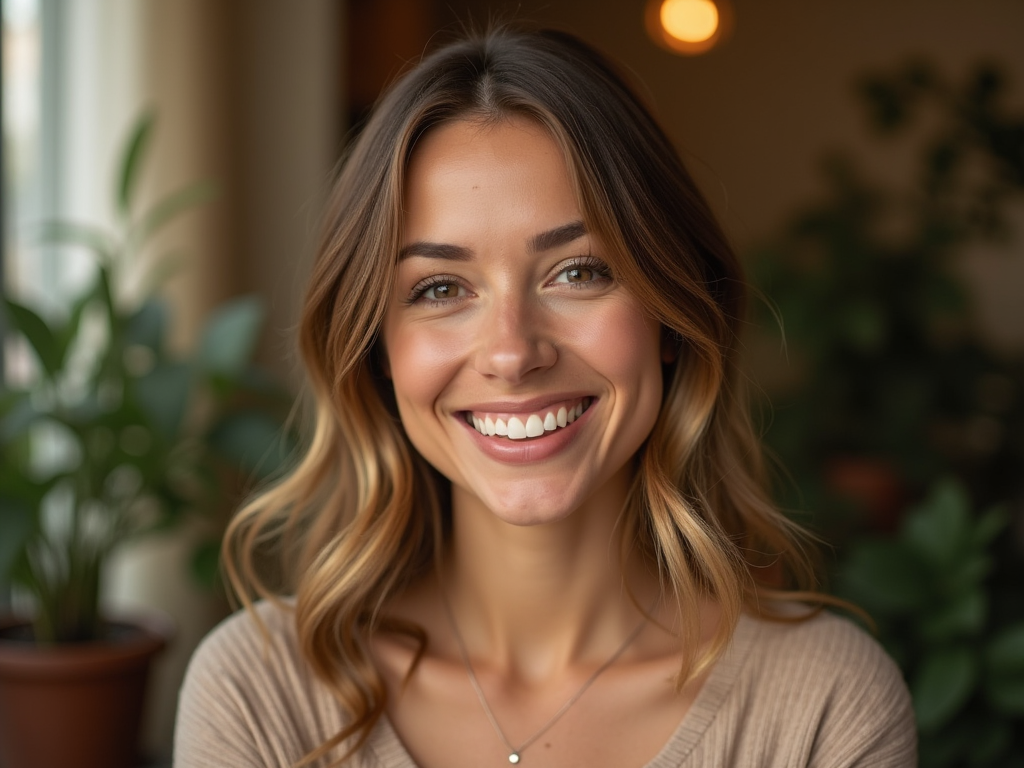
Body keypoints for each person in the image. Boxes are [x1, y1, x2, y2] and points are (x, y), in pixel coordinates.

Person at [174, 27, 916, 768]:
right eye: (440, 288)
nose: (511, 351)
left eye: (578, 272)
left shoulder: (826, 704)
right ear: (379, 353)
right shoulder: (258, 690)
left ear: (670, 313)